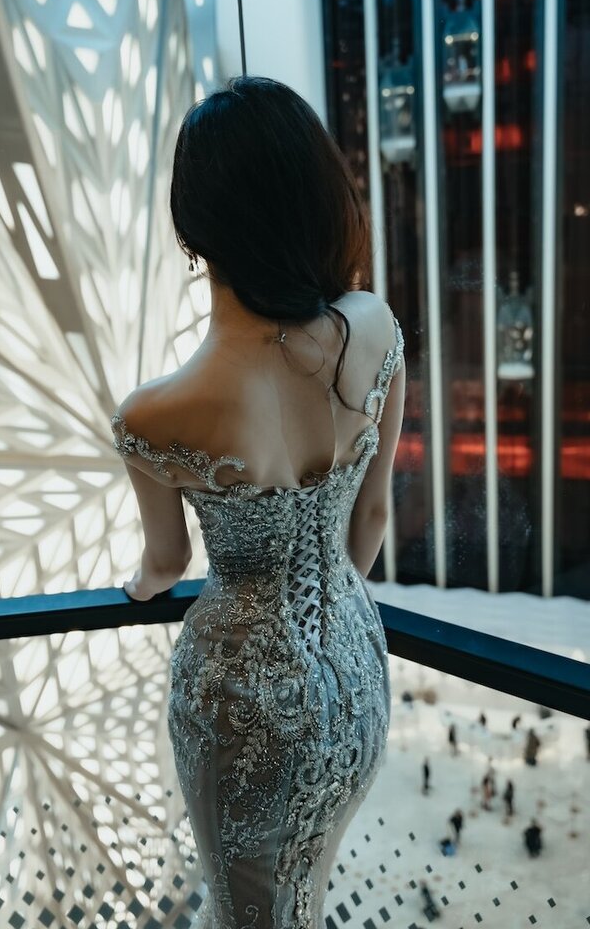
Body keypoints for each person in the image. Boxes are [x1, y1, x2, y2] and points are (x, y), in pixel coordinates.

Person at [111, 77, 406, 925]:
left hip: (242, 701)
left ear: (194, 229)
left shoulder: (153, 415)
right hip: (354, 663)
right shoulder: (374, 330)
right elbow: (372, 517)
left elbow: (165, 564)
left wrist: (140, 586)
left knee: (246, 913)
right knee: (306, 892)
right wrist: (325, 630)